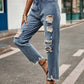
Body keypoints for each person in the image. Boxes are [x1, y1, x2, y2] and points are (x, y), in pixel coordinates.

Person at [13, 0, 60, 84]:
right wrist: (25, 13)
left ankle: (50, 79)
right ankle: (43, 63)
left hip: (49, 7)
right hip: (35, 8)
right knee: (19, 39)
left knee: (50, 45)